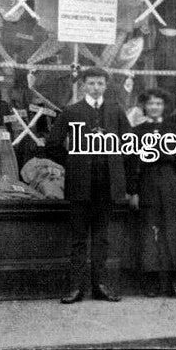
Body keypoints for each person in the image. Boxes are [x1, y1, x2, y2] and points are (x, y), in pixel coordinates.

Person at [46, 67, 129, 304]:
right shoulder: (71, 112)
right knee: (79, 238)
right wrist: (73, 161)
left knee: (102, 238)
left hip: (107, 185)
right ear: (83, 85)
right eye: (91, 83)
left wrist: (116, 164)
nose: (96, 87)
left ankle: (100, 286)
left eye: (100, 83)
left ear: (106, 85)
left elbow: (129, 144)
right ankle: (75, 288)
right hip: (80, 185)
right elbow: (52, 145)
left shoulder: (115, 111)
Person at [125, 88, 176, 299]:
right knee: (150, 231)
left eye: (159, 104)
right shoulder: (136, 132)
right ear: (144, 107)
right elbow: (132, 163)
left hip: (170, 181)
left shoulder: (174, 130)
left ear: (164, 106)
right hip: (147, 180)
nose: (155, 107)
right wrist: (133, 191)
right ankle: (152, 283)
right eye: (151, 104)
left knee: (175, 232)